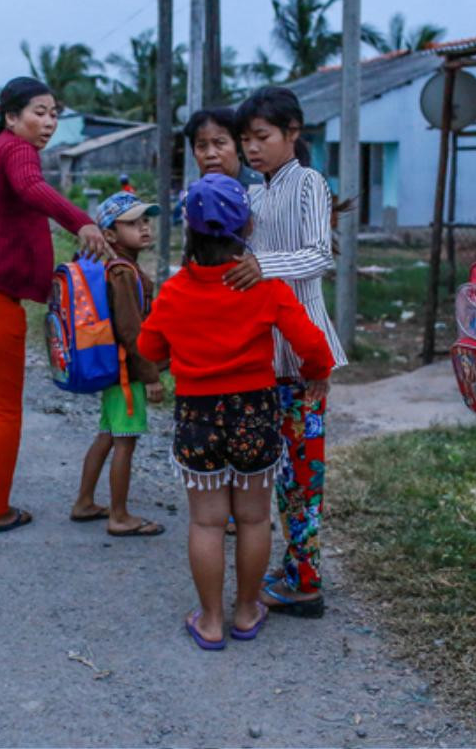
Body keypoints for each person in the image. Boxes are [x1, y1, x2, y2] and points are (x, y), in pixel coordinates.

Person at [137, 173, 335, 650]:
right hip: (255, 413)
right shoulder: (263, 287)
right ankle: (246, 611)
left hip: (196, 416)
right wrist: (318, 372)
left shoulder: (175, 290)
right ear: (246, 226)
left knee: (206, 521)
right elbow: (311, 342)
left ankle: (209, 620)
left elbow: (148, 346)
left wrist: (175, 357)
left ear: (190, 230)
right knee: (252, 519)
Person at [0, 76, 109, 532]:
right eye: (39, 112)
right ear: (12, 117)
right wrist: (82, 221)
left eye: (53, 114)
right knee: (5, 408)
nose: (48, 122)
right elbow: (31, 189)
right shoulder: (16, 150)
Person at [231, 86, 348, 619]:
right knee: (283, 471)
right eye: (246, 139)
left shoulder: (308, 183)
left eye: (263, 137)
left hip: (303, 355)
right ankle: (296, 565)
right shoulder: (256, 192)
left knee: (303, 474)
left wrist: (264, 266)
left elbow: (319, 254)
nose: (252, 148)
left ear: (293, 133)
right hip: (268, 353)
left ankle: (306, 583)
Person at [70, 192, 166, 538]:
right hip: (127, 374)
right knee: (125, 441)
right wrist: (151, 376)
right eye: (132, 222)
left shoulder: (114, 268)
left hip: (115, 371)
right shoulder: (123, 273)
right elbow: (130, 330)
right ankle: (120, 516)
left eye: (145, 221)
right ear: (109, 234)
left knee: (108, 435)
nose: (143, 227)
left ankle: (84, 502)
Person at [183, 107, 264, 189]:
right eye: (202, 146)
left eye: (220, 143)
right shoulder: (194, 194)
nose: (210, 154)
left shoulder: (261, 189)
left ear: (238, 146)